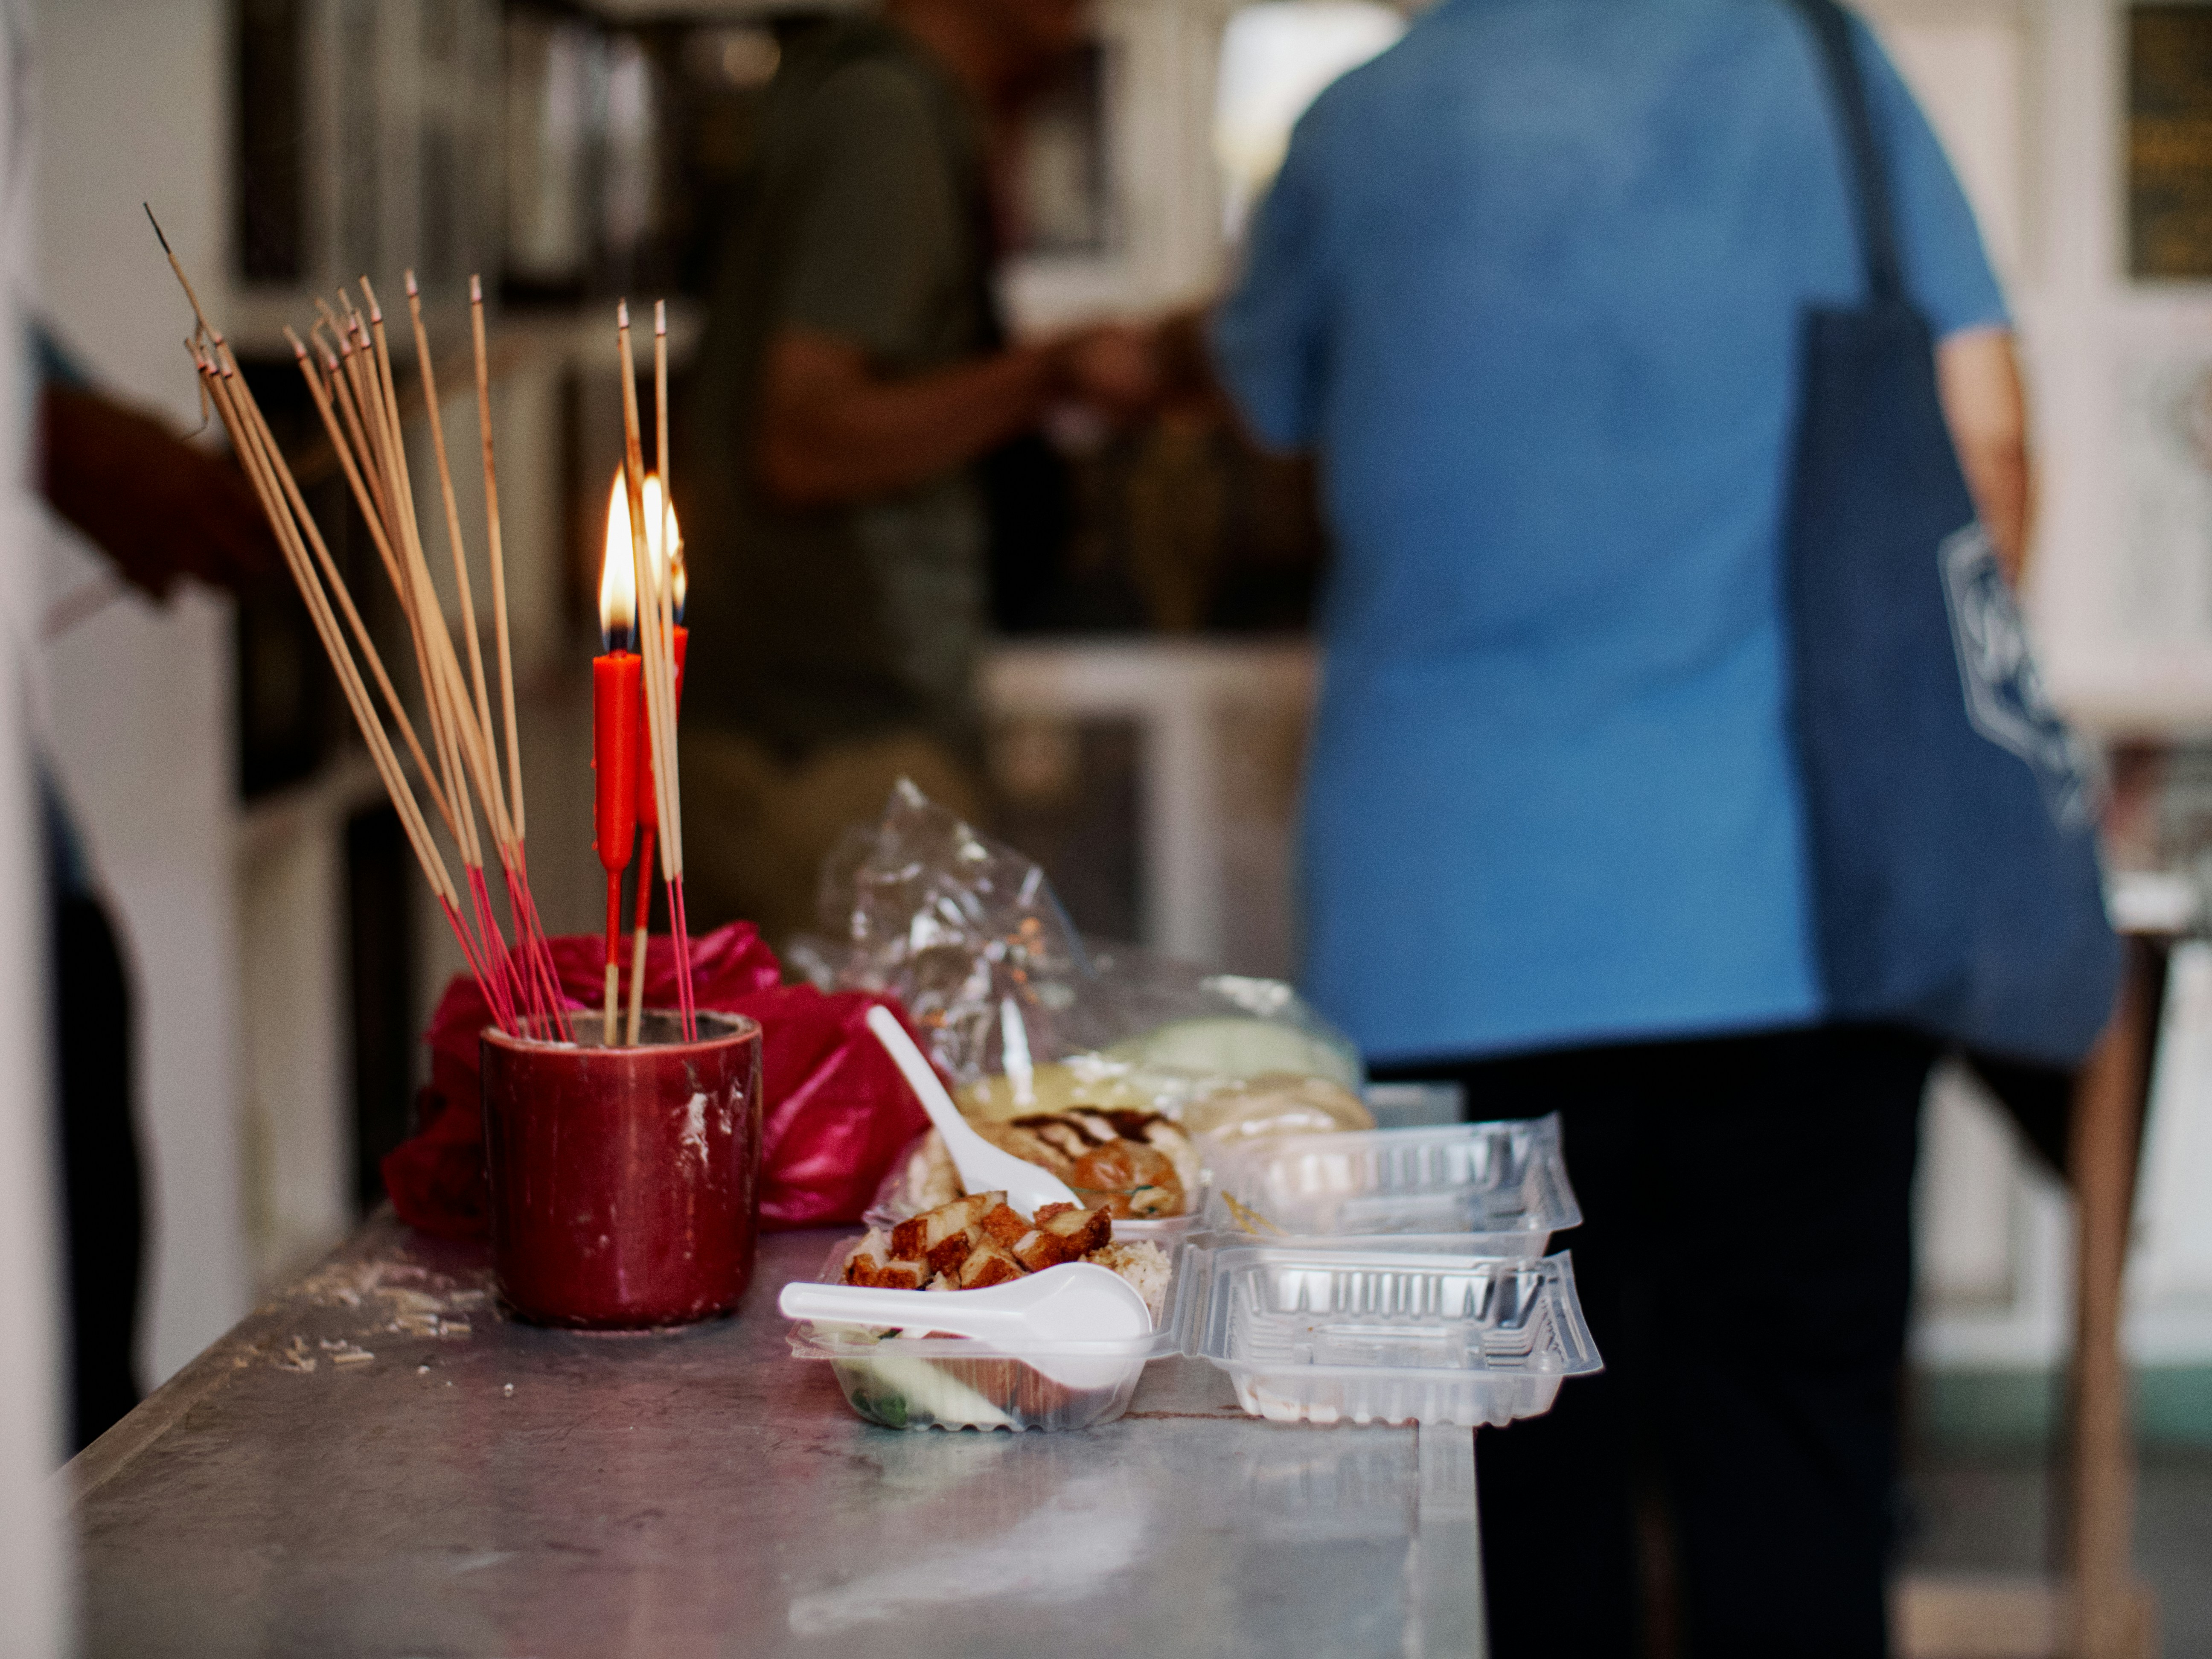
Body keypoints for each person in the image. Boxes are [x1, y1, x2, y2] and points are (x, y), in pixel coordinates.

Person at [1203, 3, 2026, 1654]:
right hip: (1789, 922)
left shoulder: (1361, 122)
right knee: (1792, 1499)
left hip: (1439, 935)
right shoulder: (1823, 68)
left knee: (1490, 1535)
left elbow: (1266, 421)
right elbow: (1988, 443)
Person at [681, 0, 1155, 945]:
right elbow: (803, 442)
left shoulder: (884, 102)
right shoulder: (884, 117)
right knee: (880, 1083)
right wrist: (1046, 375)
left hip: (816, 734)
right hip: (825, 750)